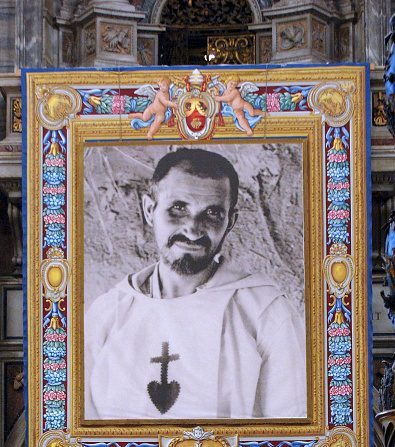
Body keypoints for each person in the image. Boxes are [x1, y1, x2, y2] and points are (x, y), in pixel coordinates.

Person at [84, 147, 306, 420]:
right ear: (150, 210)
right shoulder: (107, 315)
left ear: (230, 221)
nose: (193, 229)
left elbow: (295, 429)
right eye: (178, 208)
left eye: (212, 213)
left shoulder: (265, 313)